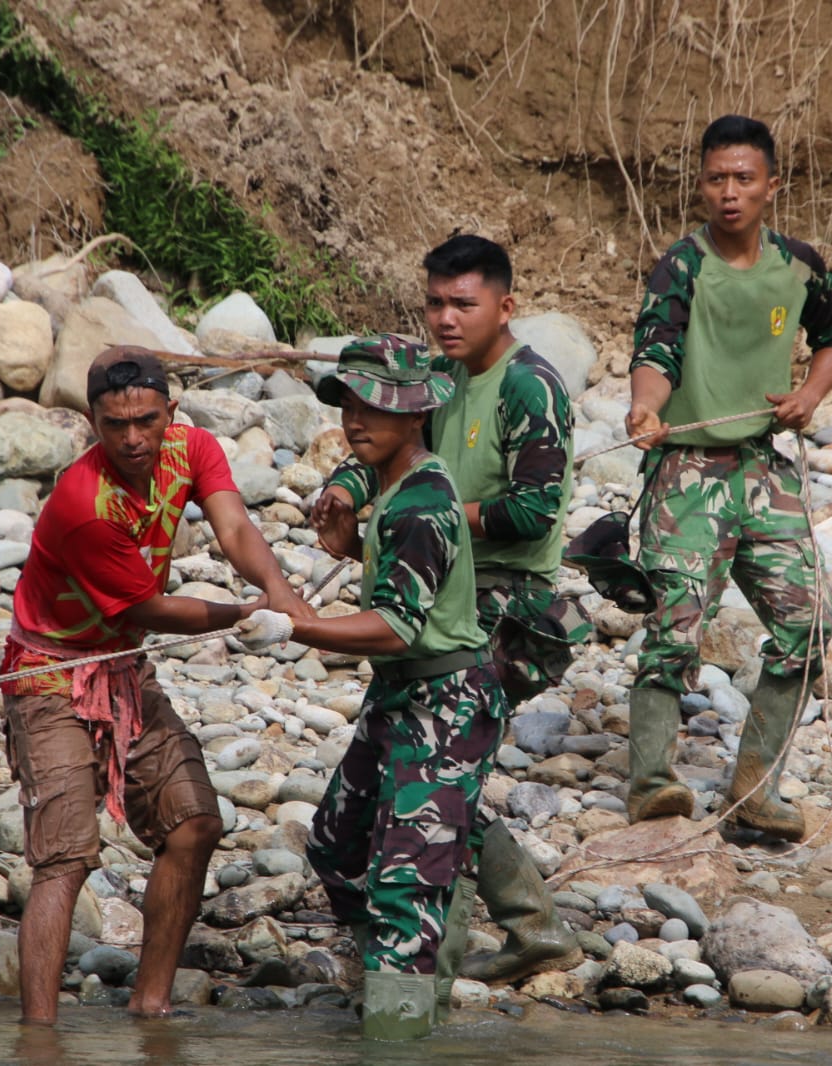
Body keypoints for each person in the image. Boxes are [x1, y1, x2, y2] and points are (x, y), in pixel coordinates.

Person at [1, 346, 312, 1024]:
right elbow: (148, 610)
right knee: (64, 861)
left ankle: (151, 1005)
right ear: (93, 423)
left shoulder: (191, 449)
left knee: (195, 822)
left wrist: (279, 592)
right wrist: (239, 615)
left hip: (122, 668)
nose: (134, 439)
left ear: (171, 412)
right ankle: (38, 1036)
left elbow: (232, 525)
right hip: (49, 677)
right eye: (116, 426)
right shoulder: (84, 503)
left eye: (146, 420)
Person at [312, 235, 582, 989]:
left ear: (505, 306)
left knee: (432, 772)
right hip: (436, 579)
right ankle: (520, 932)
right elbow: (384, 434)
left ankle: (443, 952)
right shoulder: (433, 376)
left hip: (505, 602)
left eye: (463, 303)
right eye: (434, 302)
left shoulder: (531, 388)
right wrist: (344, 493)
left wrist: (426, 514)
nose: (445, 318)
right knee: (426, 773)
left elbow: (532, 511)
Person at [236, 334, 508, 1040]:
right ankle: (394, 982)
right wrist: (352, 547)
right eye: (350, 404)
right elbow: (412, 582)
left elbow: (395, 627)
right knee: (333, 842)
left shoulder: (420, 502)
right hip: (401, 701)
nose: (357, 420)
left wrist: (295, 627)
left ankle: (399, 1026)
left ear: (416, 414)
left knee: (403, 890)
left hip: (444, 704)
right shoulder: (398, 489)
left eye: (376, 408)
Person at [623, 115, 832, 839]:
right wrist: (644, 407)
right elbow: (655, 347)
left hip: (762, 466)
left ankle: (756, 785)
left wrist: (809, 395)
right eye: (716, 179)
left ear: (770, 187)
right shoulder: (682, 265)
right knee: (674, 624)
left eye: (743, 179)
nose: (729, 193)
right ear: (700, 185)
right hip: (687, 469)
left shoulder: (798, 265)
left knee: (805, 624)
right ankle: (651, 786)